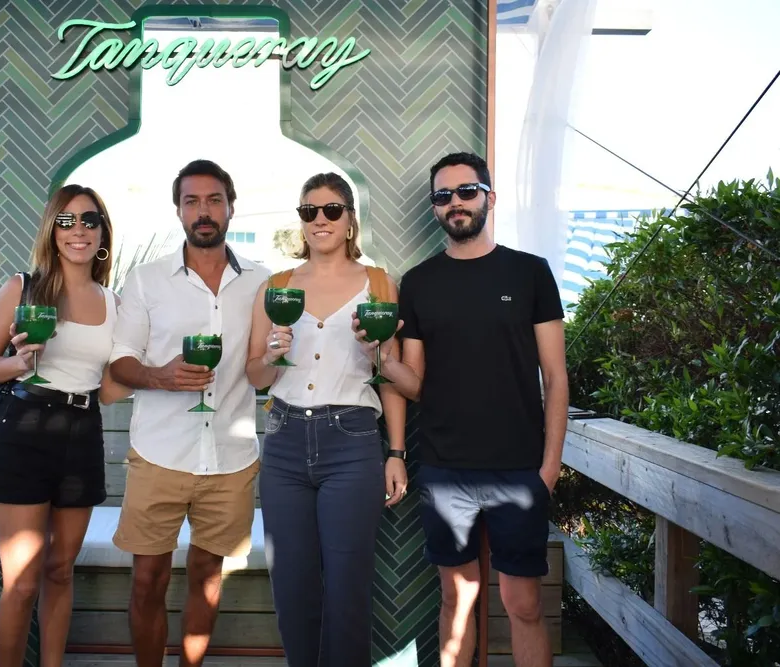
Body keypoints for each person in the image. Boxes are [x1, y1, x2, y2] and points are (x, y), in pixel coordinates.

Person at [355, 152, 569, 667]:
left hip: (520, 468)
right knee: (456, 601)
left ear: (489, 198)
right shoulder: (420, 282)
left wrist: (550, 466)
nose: (456, 203)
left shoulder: (530, 273)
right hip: (446, 468)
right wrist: (379, 354)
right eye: (443, 196)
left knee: (523, 604)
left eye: (466, 191)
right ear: (435, 208)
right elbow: (415, 383)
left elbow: (557, 377)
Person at [108, 159, 270, 667]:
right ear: (178, 210)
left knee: (207, 579)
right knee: (148, 581)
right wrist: (160, 376)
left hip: (232, 458)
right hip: (159, 455)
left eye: (214, 200)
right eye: (192, 201)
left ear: (231, 207)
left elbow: (267, 363)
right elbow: (121, 360)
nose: (204, 211)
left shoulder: (263, 282)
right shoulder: (145, 280)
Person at [245, 172, 408, 667]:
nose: (320, 220)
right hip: (285, 440)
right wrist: (273, 354)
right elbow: (255, 377)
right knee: (291, 584)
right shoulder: (276, 287)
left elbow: (389, 377)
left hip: (353, 442)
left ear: (350, 219)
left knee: (347, 585)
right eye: (309, 211)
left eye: (331, 210)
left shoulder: (378, 283)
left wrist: (396, 452)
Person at [0, 184, 132, 667]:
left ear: (102, 232)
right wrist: (19, 363)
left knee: (60, 571)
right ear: (52, 231)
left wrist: (154, 374)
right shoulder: (23, 288)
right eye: (66, 221)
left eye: (88, 220)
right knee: (20, 582)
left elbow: (105, 388)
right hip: (22, 431)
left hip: (82, 433)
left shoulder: (115, 304)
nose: (77, 231)